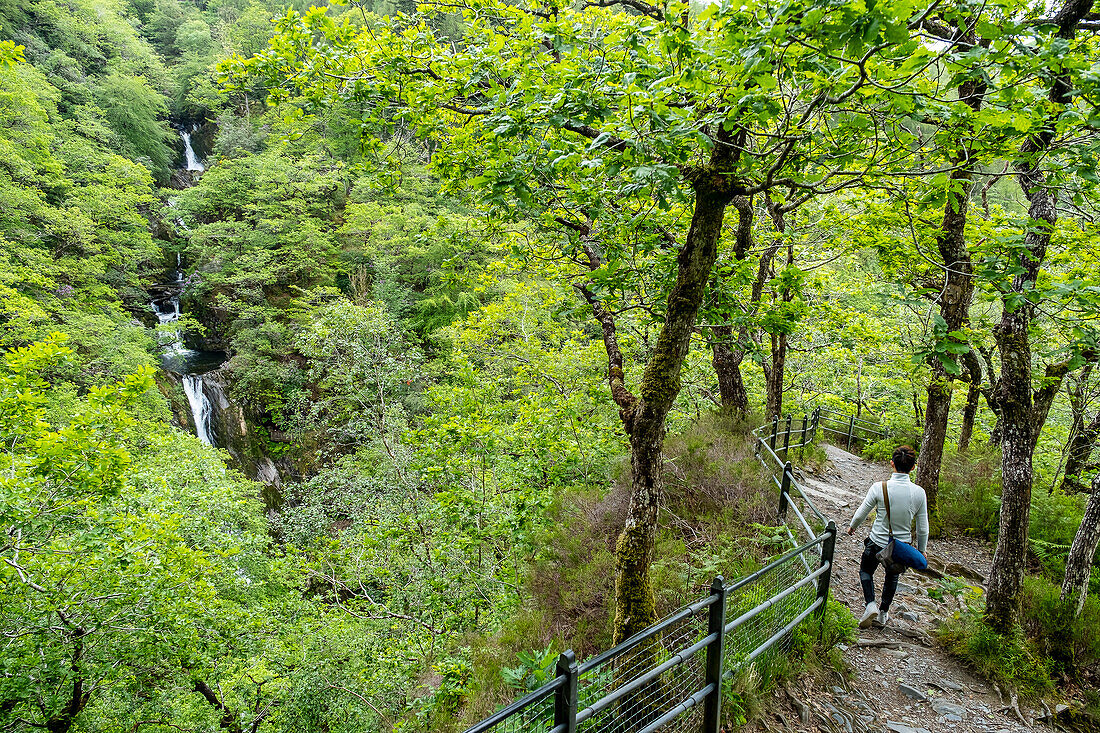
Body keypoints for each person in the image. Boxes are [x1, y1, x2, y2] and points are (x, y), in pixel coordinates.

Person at [846, 445, 928, 629]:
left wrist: (853, 527)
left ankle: (870, 604)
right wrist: (921, 551)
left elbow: (861, 513)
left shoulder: (879, 487)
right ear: (913, 467)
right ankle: (883, 613)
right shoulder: (919, 493)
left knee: (866, 571)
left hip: (876, 543)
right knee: (892, 578)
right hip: (900, 547)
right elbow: (923, 528)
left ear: (892, 464)